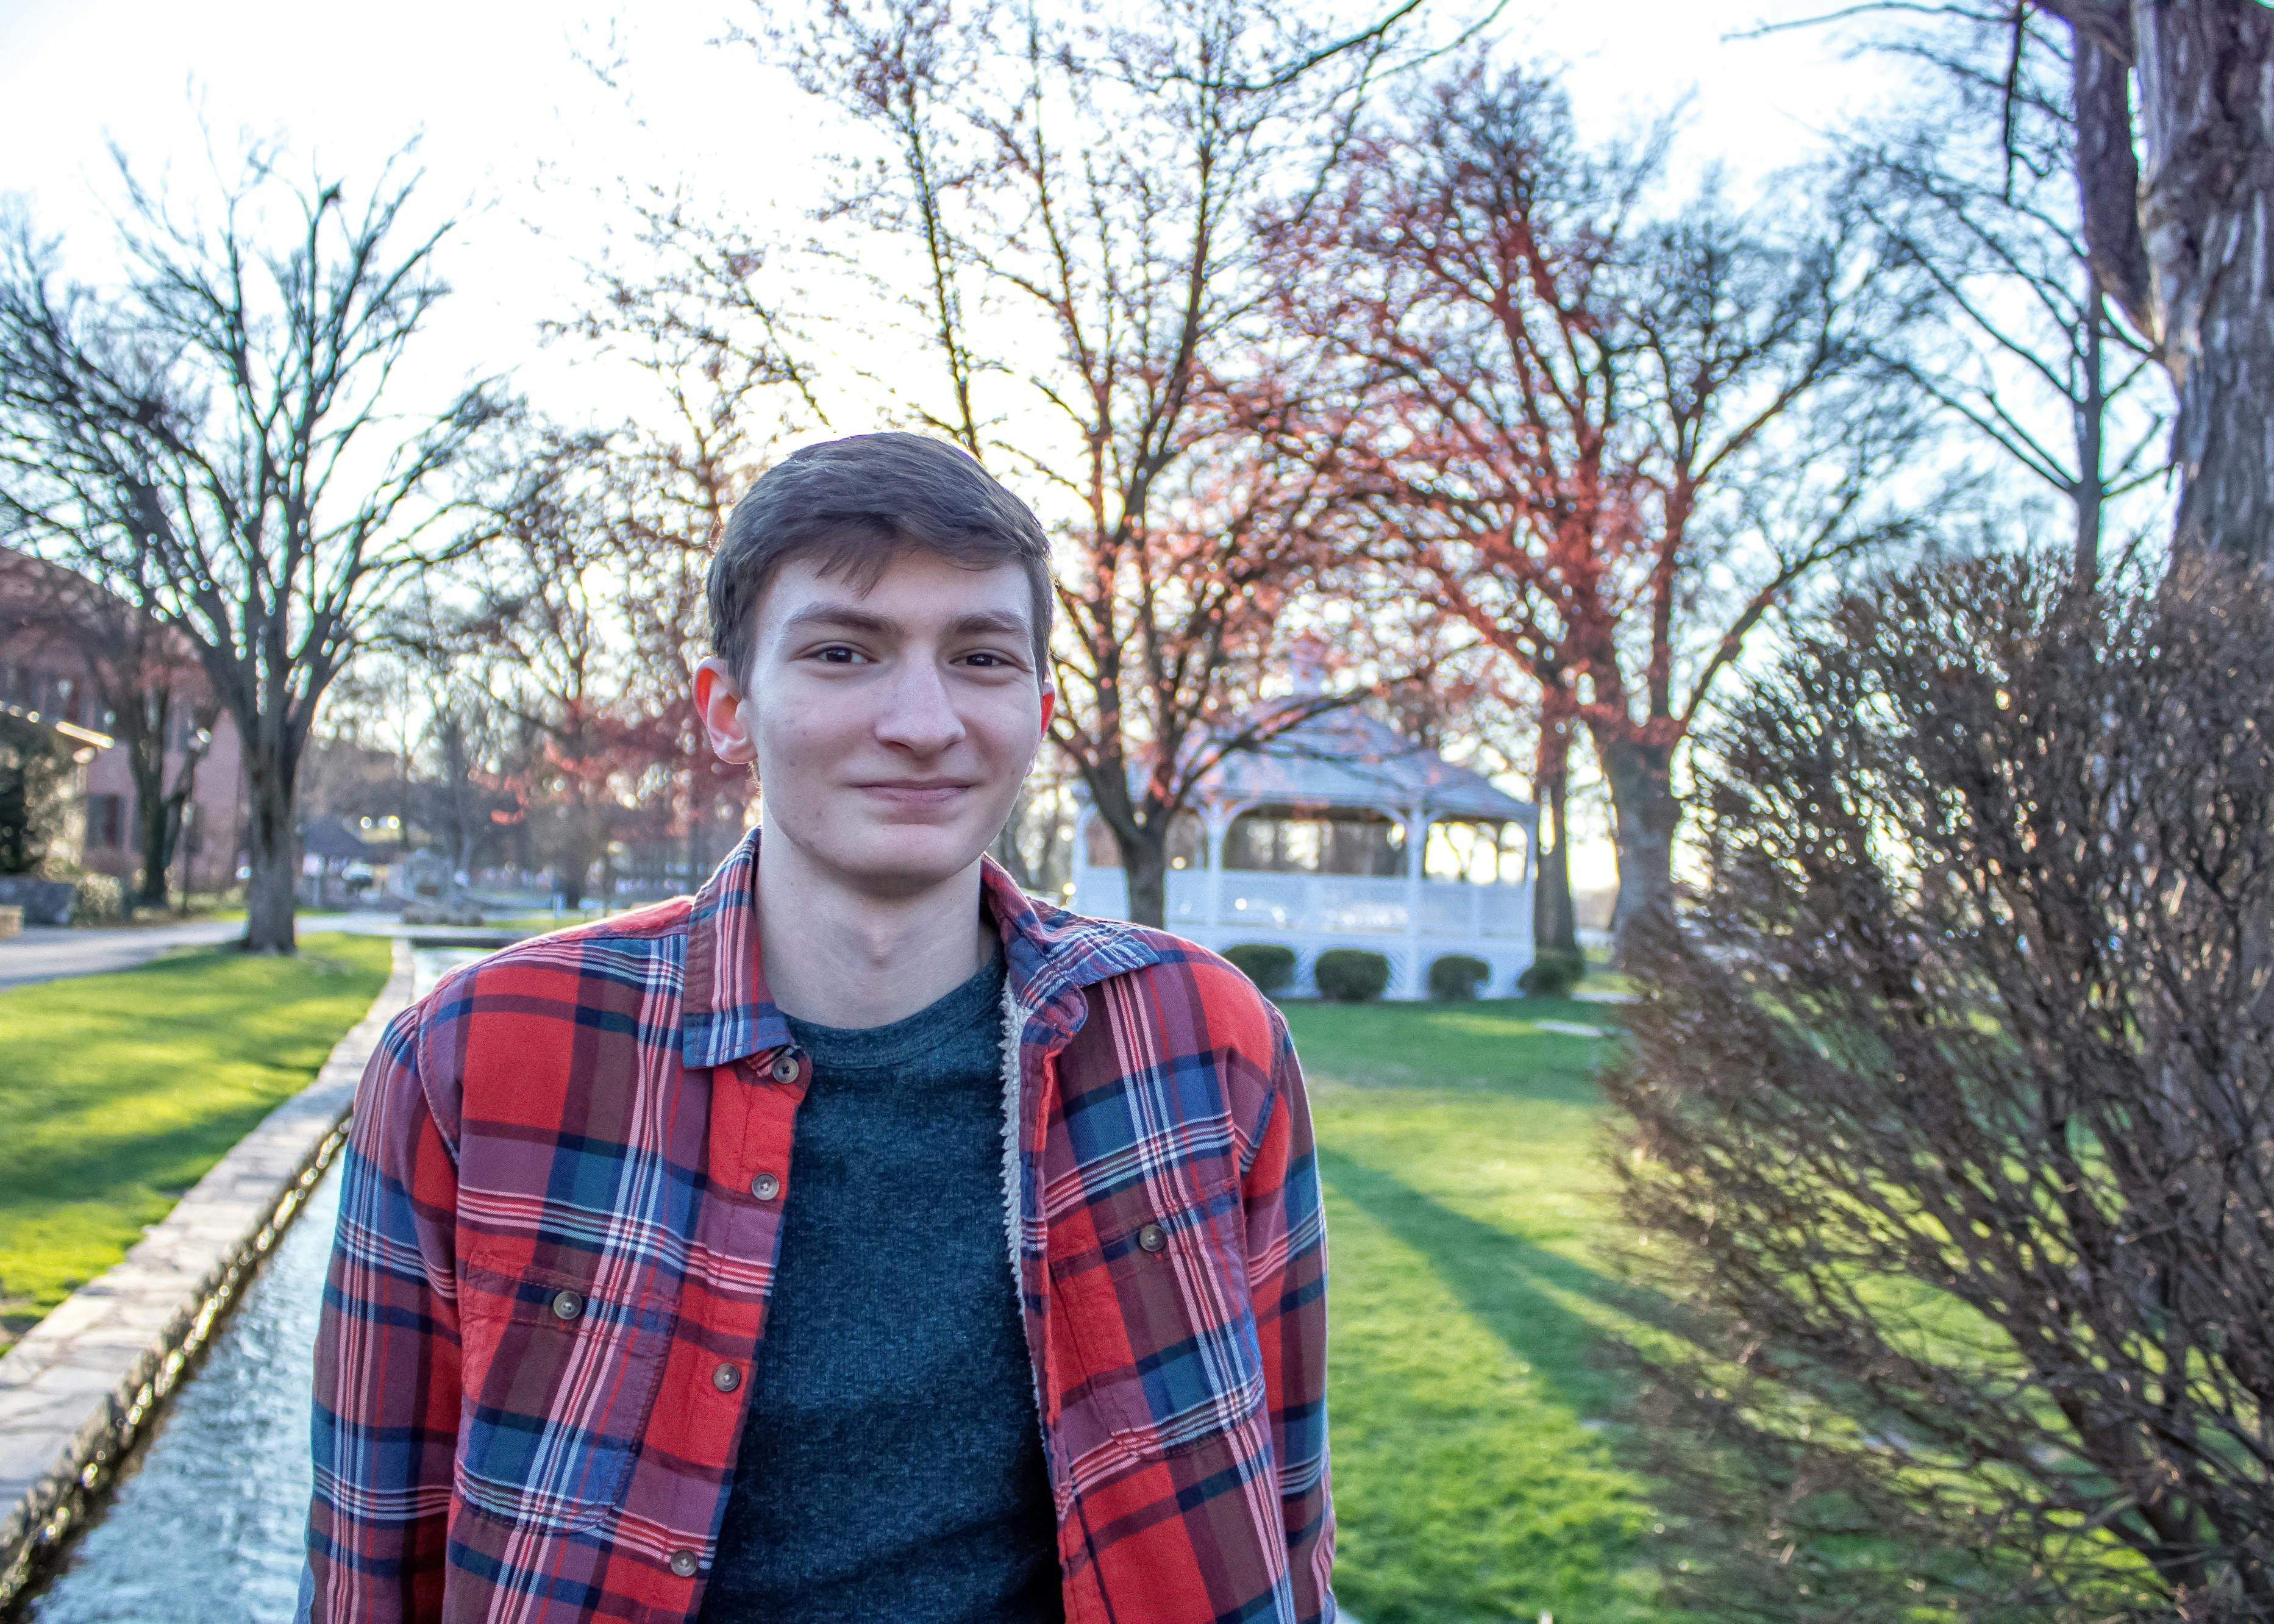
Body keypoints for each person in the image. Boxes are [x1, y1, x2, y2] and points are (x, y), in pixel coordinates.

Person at [296, 431, 1336, 1623]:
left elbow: (1286, 1519)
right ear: (727, 710)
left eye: (980, 656)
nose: (921, 719)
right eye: (844, 650)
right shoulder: (473, 1061)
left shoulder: (1203, 1046)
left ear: (1038, 710)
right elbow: (372, 1566)